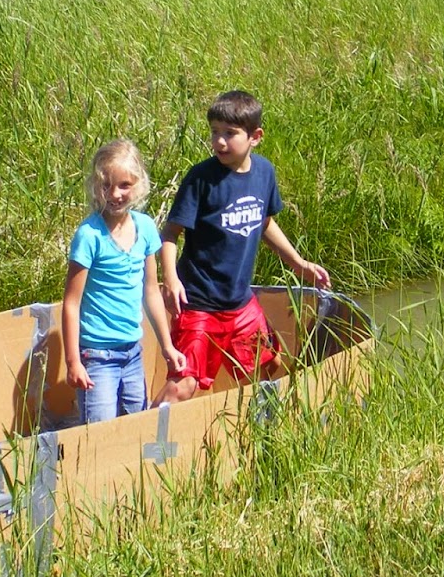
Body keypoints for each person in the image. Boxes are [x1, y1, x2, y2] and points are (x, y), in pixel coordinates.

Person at [159, 90, 330, 403]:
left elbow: (264, 222)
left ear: (256, 136)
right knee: (183, 385)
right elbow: (170, 234)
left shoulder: (264, 172)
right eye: (214, 132)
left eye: (230, 134)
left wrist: (298, 263)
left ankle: (261, 442)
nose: (219, 142)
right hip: (199, 304)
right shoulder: (200, 179)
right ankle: (143, 446)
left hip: (239, 303)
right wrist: (171, 279)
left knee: (268, 367)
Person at [62, 140, 186, 425]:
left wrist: (167, 346)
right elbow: (72, 303)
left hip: (132, 351)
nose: (115, 194)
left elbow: (151, 291)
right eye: (106, 186)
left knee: (135, 426)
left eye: (124, 185)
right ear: (96, 186)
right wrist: (73, 362)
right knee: (99, 431)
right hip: (97, 355)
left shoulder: (144, 229)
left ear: (138, 184)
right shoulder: (90, 235)